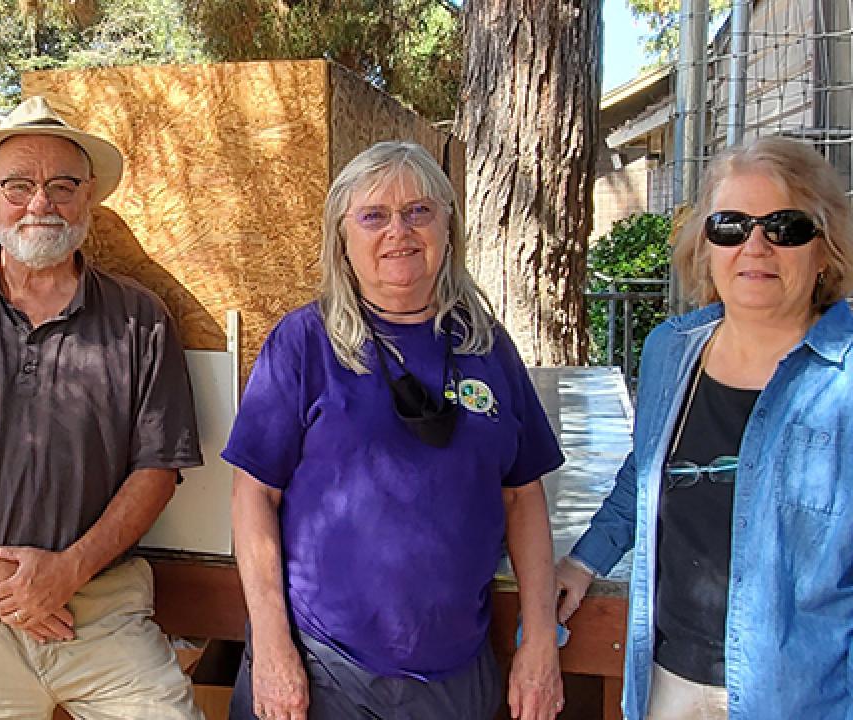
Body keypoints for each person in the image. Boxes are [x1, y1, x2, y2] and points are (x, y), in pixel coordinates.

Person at [0, 96, 204, 719]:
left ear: (89, 196)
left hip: (101, 606)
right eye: (18, 185)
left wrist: (66, 571)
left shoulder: (139, 318)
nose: (40, 203)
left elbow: (156, 472)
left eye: (61, 185)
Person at [223, 140, 566, 720]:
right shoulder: (304, 344)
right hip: (322, 669)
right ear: (343, 240)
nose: (398, 231)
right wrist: (275, 651)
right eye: (373, 216)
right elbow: (253, 496)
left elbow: (522, 495)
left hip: (455, 676)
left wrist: (538, 643)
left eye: (419, 211)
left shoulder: (486, 345)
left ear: (448, 228)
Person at [555, 136, 853, 719]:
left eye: (786, 227)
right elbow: (643, 476)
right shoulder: (672, 350)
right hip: (668, 681)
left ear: (825, 251)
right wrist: (583, 561)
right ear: (706, 247)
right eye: (731, 226)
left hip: (802, 697)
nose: (756, 246)